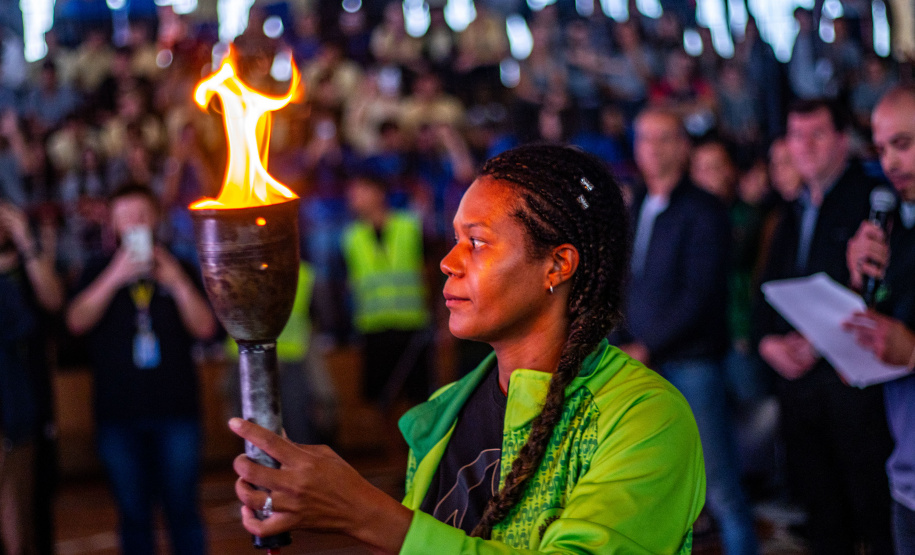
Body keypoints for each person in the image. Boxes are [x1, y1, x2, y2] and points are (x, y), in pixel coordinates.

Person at [228, 144, 705, 553]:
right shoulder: (444, 414)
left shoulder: (644, 417)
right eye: (456, 238)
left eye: (476, 242)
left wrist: (365, 512)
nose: (448, 262)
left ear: (557, 265)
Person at [612, 109, 757, 555]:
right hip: (638, 362)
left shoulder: (705, 209)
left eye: (663, 138)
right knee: (651, 485)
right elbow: (623, 281)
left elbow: (701, 294)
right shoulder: (635, 202)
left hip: (692, 362)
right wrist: (621, 341)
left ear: (682, 146)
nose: (652, 148)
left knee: (719, 486)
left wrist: (646, 346)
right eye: (644, 138)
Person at [755, 98, 894, 554]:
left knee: (873, 515)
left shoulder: (872, 200)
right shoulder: (791, 209)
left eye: (817, 134)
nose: (805, 146)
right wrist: (767, 342)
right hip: (799, 391)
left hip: (852, 390)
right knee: (822, 518)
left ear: (842, 141)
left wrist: (818, 339)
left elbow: (882, 289)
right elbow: (765, 289)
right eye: (796, 135)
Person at [66, 183, 216, 555]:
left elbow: (205, 328)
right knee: (133, 516)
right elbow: (75, 322)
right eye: (125, 217)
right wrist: (115, 277)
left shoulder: (179, 264)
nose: (134, 223)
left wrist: (177, 284)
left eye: (142, 215)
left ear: (157, 218)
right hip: (117, 415)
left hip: (177, 411)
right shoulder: (97, 267)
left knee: (184, 511)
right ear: (113, 224)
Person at [844, 85, 915, 555]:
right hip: (906, 475)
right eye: (881, 148)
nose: (889, 163)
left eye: (902, 144)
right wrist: (859, 281)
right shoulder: (895, 230)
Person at [0, 202, 63, 555]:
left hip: (28, 401)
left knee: (33, 503)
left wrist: (27, 243)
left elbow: (53, 300)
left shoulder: (28, 263)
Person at [341, 174, 432, 407]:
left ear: (379, 193)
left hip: (411, 325)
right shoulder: (351, 237)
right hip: (373, 329)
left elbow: (430, 270)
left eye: (361, 190)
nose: (354, 197)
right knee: (380, 402)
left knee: (419, 399)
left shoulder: (409, 226)